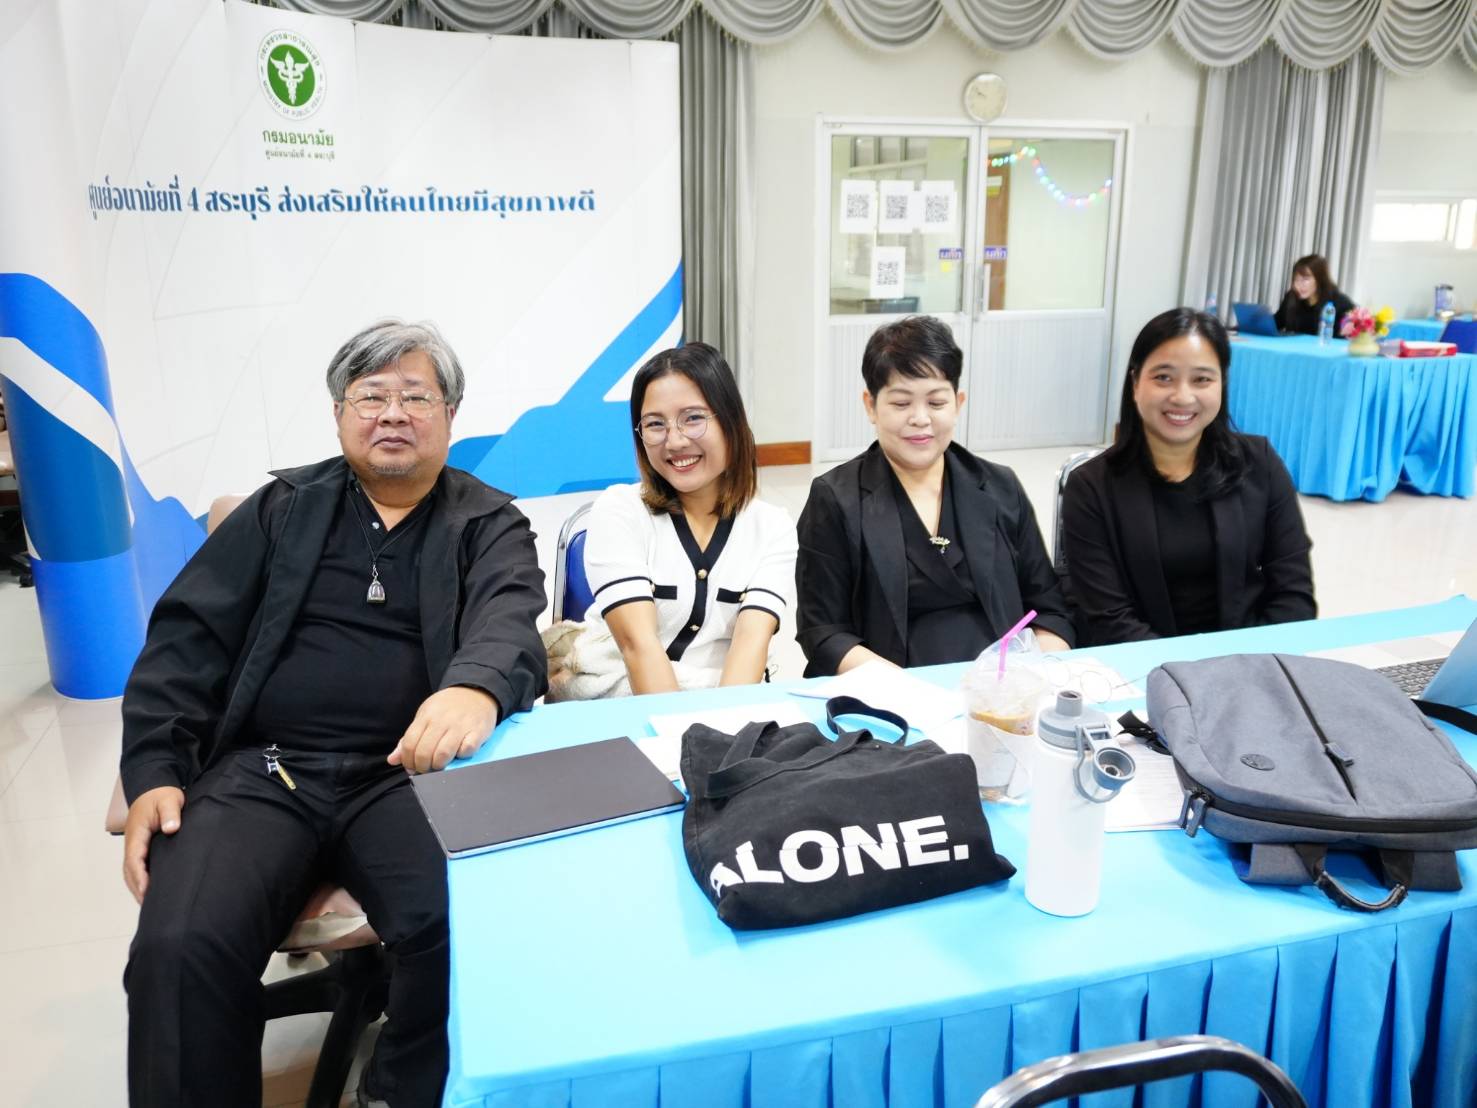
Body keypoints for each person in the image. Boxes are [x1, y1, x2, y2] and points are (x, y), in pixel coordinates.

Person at [119, 320, 547, 1108]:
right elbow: (184, 642)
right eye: (370, 397)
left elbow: (509, 622)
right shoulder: (282, 509)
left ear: (450, 414)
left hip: (408, 776)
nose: (393, 414)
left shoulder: (488, 523)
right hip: (264, 770)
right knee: (179, 947)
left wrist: (476, 686)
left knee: (468, 919)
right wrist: (153, 769)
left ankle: (402, 1089)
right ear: (339, 414)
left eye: (416, 396)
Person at [795, 315, 1074, 677]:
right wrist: (909, 692)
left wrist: (1028, 678)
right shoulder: (835, 498)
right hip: (889, 693)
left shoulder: (1000, 487)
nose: (920, 418)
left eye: (937, 402)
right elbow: (823, 633)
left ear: (958, 402)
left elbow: (1051, 610)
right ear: (870, 405)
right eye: (901, 403)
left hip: (1001, 691)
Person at [1060, 307, 1316, 646]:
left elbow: (1293, 596)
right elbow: (1109, 619)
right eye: (1163, 377)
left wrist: (1243, 666)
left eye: (1202, 379)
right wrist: (1185, 675)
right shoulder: (1090, 487)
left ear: (1222, 383)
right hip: (1140, 668)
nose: (1182, 396)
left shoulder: (1260, 463)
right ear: (1135, 383)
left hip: (1250, 663)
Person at [569, 342, 796, 696]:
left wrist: (719, 726)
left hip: (723, 703)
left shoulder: (772, 528)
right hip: (624, 703)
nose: (674, 441)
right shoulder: (620, 510)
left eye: (693, 418)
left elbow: (751, 645)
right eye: (655, 424)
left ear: (731, 421)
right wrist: (679, 728)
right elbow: (639, 648)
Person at [1273, 253, 1357, 335]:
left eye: (1305, 279)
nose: (1298, 285)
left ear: (1320, 279)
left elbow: (1355, 329)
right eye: (1296, 279)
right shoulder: (1291, 298)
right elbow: (1276, 324)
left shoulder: (1340, 302)